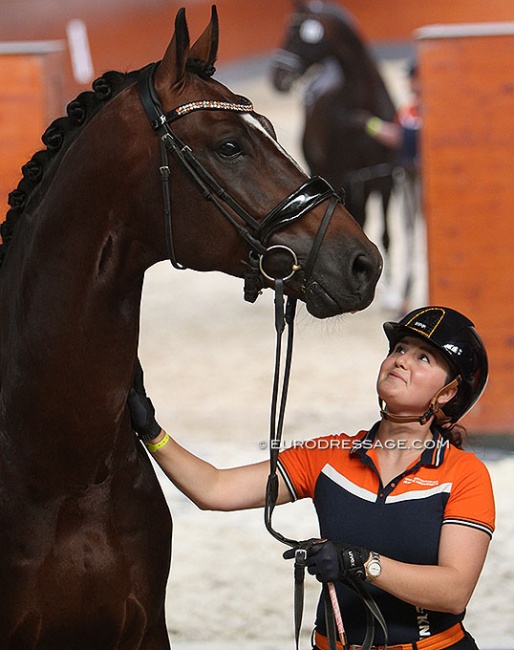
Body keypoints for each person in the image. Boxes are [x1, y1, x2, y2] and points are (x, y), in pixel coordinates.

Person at [129, 305, 494, 650]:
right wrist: (152, 432)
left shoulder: (464, 475)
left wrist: (362, 563)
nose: (400, 359)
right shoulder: (328, 455)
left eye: (423, 357)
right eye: (399, 348)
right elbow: (215, 489)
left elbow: (454, 590)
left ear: (447, 393)